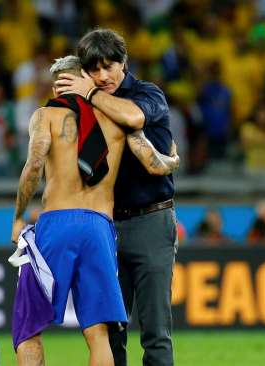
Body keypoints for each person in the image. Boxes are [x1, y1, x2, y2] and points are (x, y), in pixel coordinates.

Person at [11, 55, 178, 366]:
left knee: (29, 326)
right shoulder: (115, 118)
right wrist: (174, 161)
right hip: (101, 227)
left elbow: (34, 165)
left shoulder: (45, 115)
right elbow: (153, 163)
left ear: (57, 85)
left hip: (56, 221)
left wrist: (18, 216)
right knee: (99, 332)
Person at [55, 29, 178, 366]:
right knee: (111, 330)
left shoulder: (147, 93)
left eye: (109, 67)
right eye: (94, 69)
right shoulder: (84, 103)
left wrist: (90, 93)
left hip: (150, 220)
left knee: (155, 330)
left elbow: (133, 117)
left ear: (124, 63)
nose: (103, 76)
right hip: (105, 225)